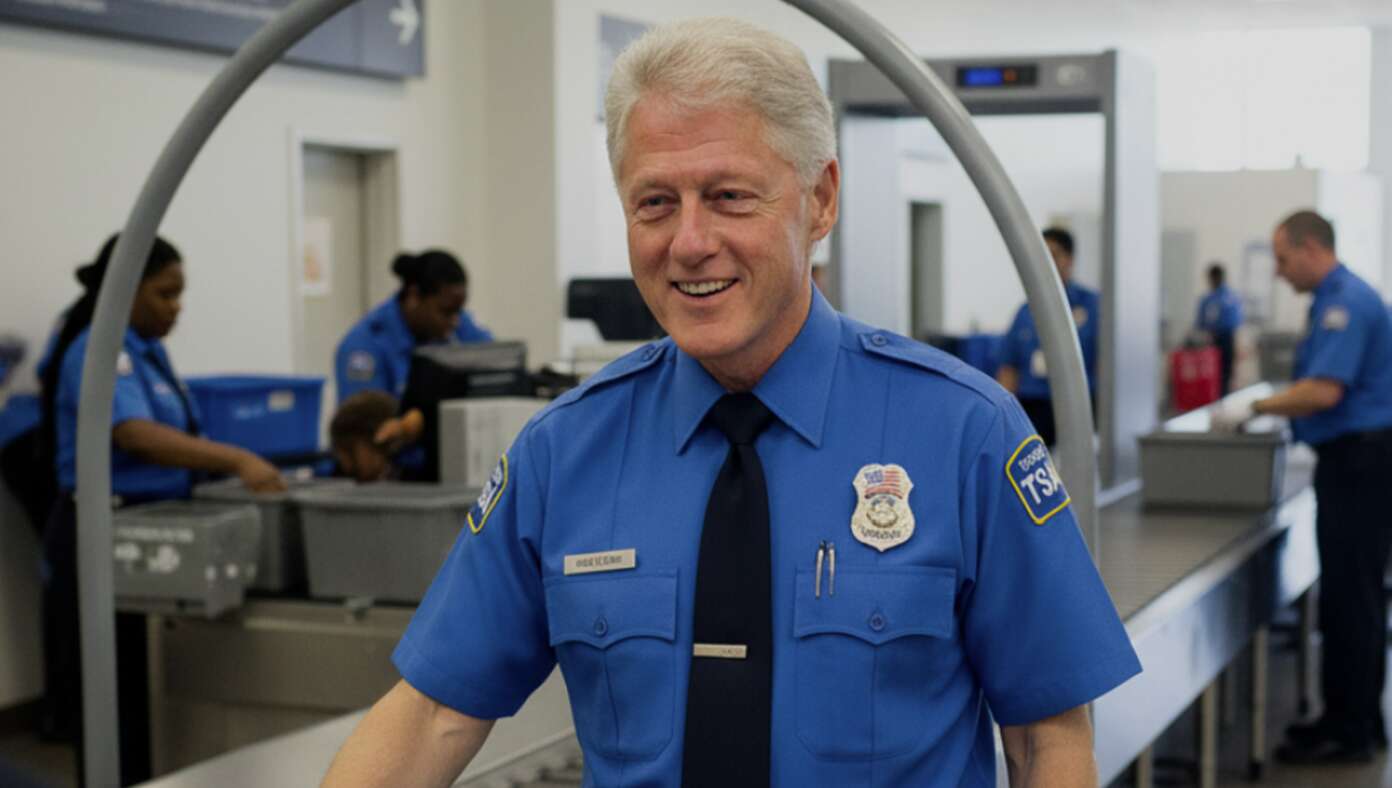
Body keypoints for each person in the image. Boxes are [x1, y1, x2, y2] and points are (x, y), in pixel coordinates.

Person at [324, 18, 1139, 787]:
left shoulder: (964, 435)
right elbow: (431, 715)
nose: (688, 242)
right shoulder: (564, 454)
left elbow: (1047, 735)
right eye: (655, 202)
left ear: (819, 200)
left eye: (728, 197)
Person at [41, 233, 285, 784]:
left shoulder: (148, 350)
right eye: (164, 294)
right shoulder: (97, 350)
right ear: (125, 290)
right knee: (111, 694)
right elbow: (135, 433)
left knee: (145, 688)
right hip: (102, 534)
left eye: (180, 295)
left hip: (150, 531)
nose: (176, 307)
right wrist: (237, 460)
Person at [1214, 211, 1392, 765]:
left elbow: (1323, 392)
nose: (1280, 272)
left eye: (1284, 258)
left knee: (1353, 597)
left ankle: (1351, 730)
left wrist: (1254, 406)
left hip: (1362, 464)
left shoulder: (1346, 304)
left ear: (1311, 248)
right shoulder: (1334, 300)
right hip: (1351, 462)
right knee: (1347, 594)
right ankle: (1355, 717)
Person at [334, 249, 493, 405]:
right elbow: (365, 425)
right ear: (414, 297)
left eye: (459, 311)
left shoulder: (456, 322)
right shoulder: (363, 347)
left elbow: (499, 363)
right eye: (446, 312)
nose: (455, 321)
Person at [994, 227, 1099, 446]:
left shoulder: (1092, 306)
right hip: (1033, 406)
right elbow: (1008, 367)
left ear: (1069, 259)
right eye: (1042, 255)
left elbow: (1106, 365)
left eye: (1054, 255)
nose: (1047, 262)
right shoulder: (1025, 311)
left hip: (1077, 406)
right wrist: (1001, 416)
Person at [329, 390, 407, 483]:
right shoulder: (340, 477)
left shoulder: (410, 478)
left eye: (349, 449)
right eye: (339, 449)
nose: (346, 464)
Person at [1195, 262, 1242, 394]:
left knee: (1219, 376)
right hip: (1219, 340)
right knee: (1220, 375)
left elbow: (1200, 323)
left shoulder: (1213, 299)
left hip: (1220, 339)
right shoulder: (1230, 297)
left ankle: (1220, 400)